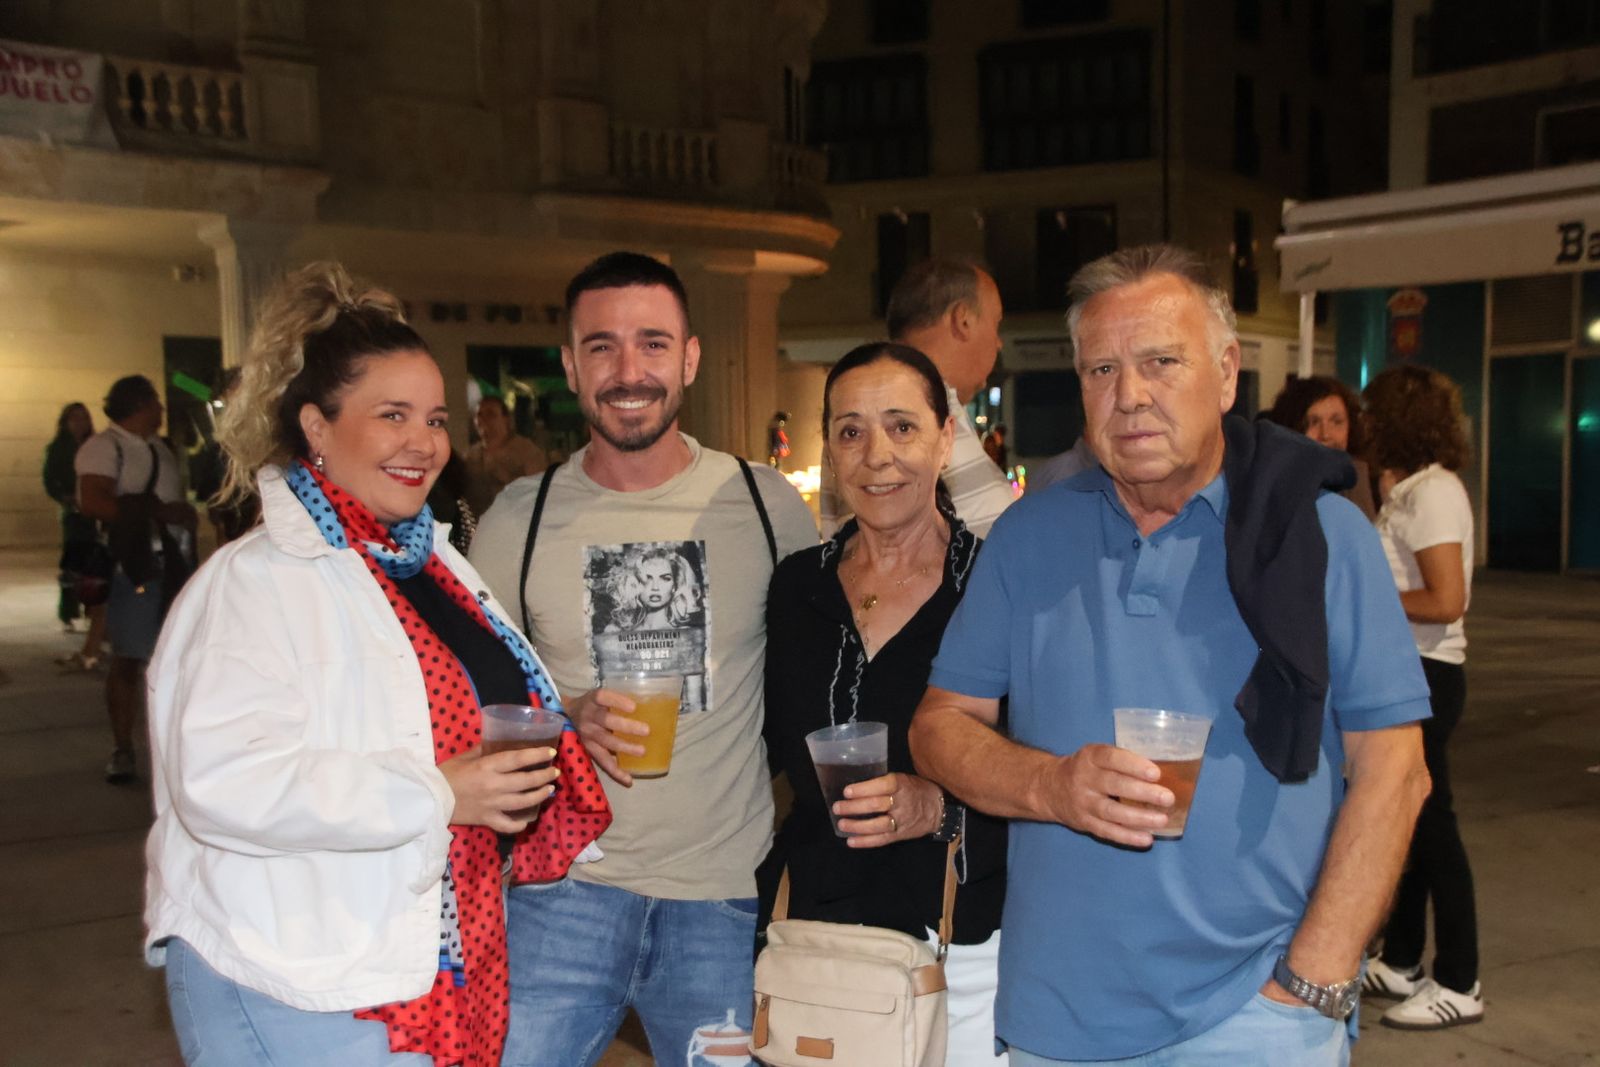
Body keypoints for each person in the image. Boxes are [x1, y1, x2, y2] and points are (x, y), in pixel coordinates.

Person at [908, 244, 1434, 1066]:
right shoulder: (1028, 535)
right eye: (1102, 370)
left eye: (1161, 361)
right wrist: (1050, 783)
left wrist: (1312, 982)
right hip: (1060, 1021)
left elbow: (1396, 771)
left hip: (1256, 1015)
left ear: (1226, 374)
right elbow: (940, 726)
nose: (1131, 396)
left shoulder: (1323, 537)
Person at [142, 262, 610, 1067]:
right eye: (391, 414)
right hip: (295, 976)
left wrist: (567, 715)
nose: (424, 442)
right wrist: (440, 792)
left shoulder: (425, 563)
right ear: (317, 426)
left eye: (434, 417)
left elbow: (420, 706)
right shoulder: (254, 582)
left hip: (427, 954)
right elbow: (221, 778)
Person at [470, 251, 816, 1067]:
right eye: (602, 347)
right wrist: (563, 720)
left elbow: (827, 666)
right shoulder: (517, 521)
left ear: (690, 357)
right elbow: (473, 703)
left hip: (722, 899)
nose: (630, 371)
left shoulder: (766, 506)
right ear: (569, 365)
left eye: (653, 344)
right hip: (562, 895)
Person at [760, 342, 1008, 1064]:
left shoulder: (995, 585)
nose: (877, 455)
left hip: (955, 945)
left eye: (902, 426)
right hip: (818, 940)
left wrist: (939, 805)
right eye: (850, 431)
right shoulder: (796, 588)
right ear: (830, 451)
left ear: (945, 437)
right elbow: (777, 752)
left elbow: (1041, 765)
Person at [1359, 364, 1484, 1030]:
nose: (1364, 424)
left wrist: (1368, 599)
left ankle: (1461, 977)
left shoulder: (1433, 492)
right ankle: (1403, 957)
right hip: (1409, 670)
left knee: (1435, 829)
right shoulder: (1408, 489)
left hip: (1429, 672)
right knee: (1408, 820)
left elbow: (1446, 600)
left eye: (1373, 413)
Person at [820, 258, 1014, 538]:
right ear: (964, 320)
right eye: (995, 324)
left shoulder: (856, 404)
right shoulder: (925, 404)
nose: (998, 343)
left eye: (902, 428)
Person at [75, 375, 196, 783]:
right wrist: (156, 513)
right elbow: (92, 501)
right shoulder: (104, 447)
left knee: (179, 658)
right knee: (130, 658)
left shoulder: (157, 447)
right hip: (137, 566)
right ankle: (123, 747)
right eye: (156, 402)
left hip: (174, 562)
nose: (162, 409)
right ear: (140, 404)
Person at [44, 401, 107, 666]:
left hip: (94, 513)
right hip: (74, 514)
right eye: (74, 419)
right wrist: (65, 498)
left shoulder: (95, 445)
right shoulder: (59, 448)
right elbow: (49, 479)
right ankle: (68, 609)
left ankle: (92, 609)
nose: (79, 423)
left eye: (83, 418)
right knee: (73, 562)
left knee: (94, 563)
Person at [1264, 376, 1377, 520]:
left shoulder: (1363, 480)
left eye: (1337, 422)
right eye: (1314, 422)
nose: (1326, 434)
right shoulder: (1274, 487)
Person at [463, 395, 547, 515]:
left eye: (491, 414)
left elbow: (539, 490)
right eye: (479, 415)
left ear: (505, 418)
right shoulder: (471, 456)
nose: (483, 420)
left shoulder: (526, 451)